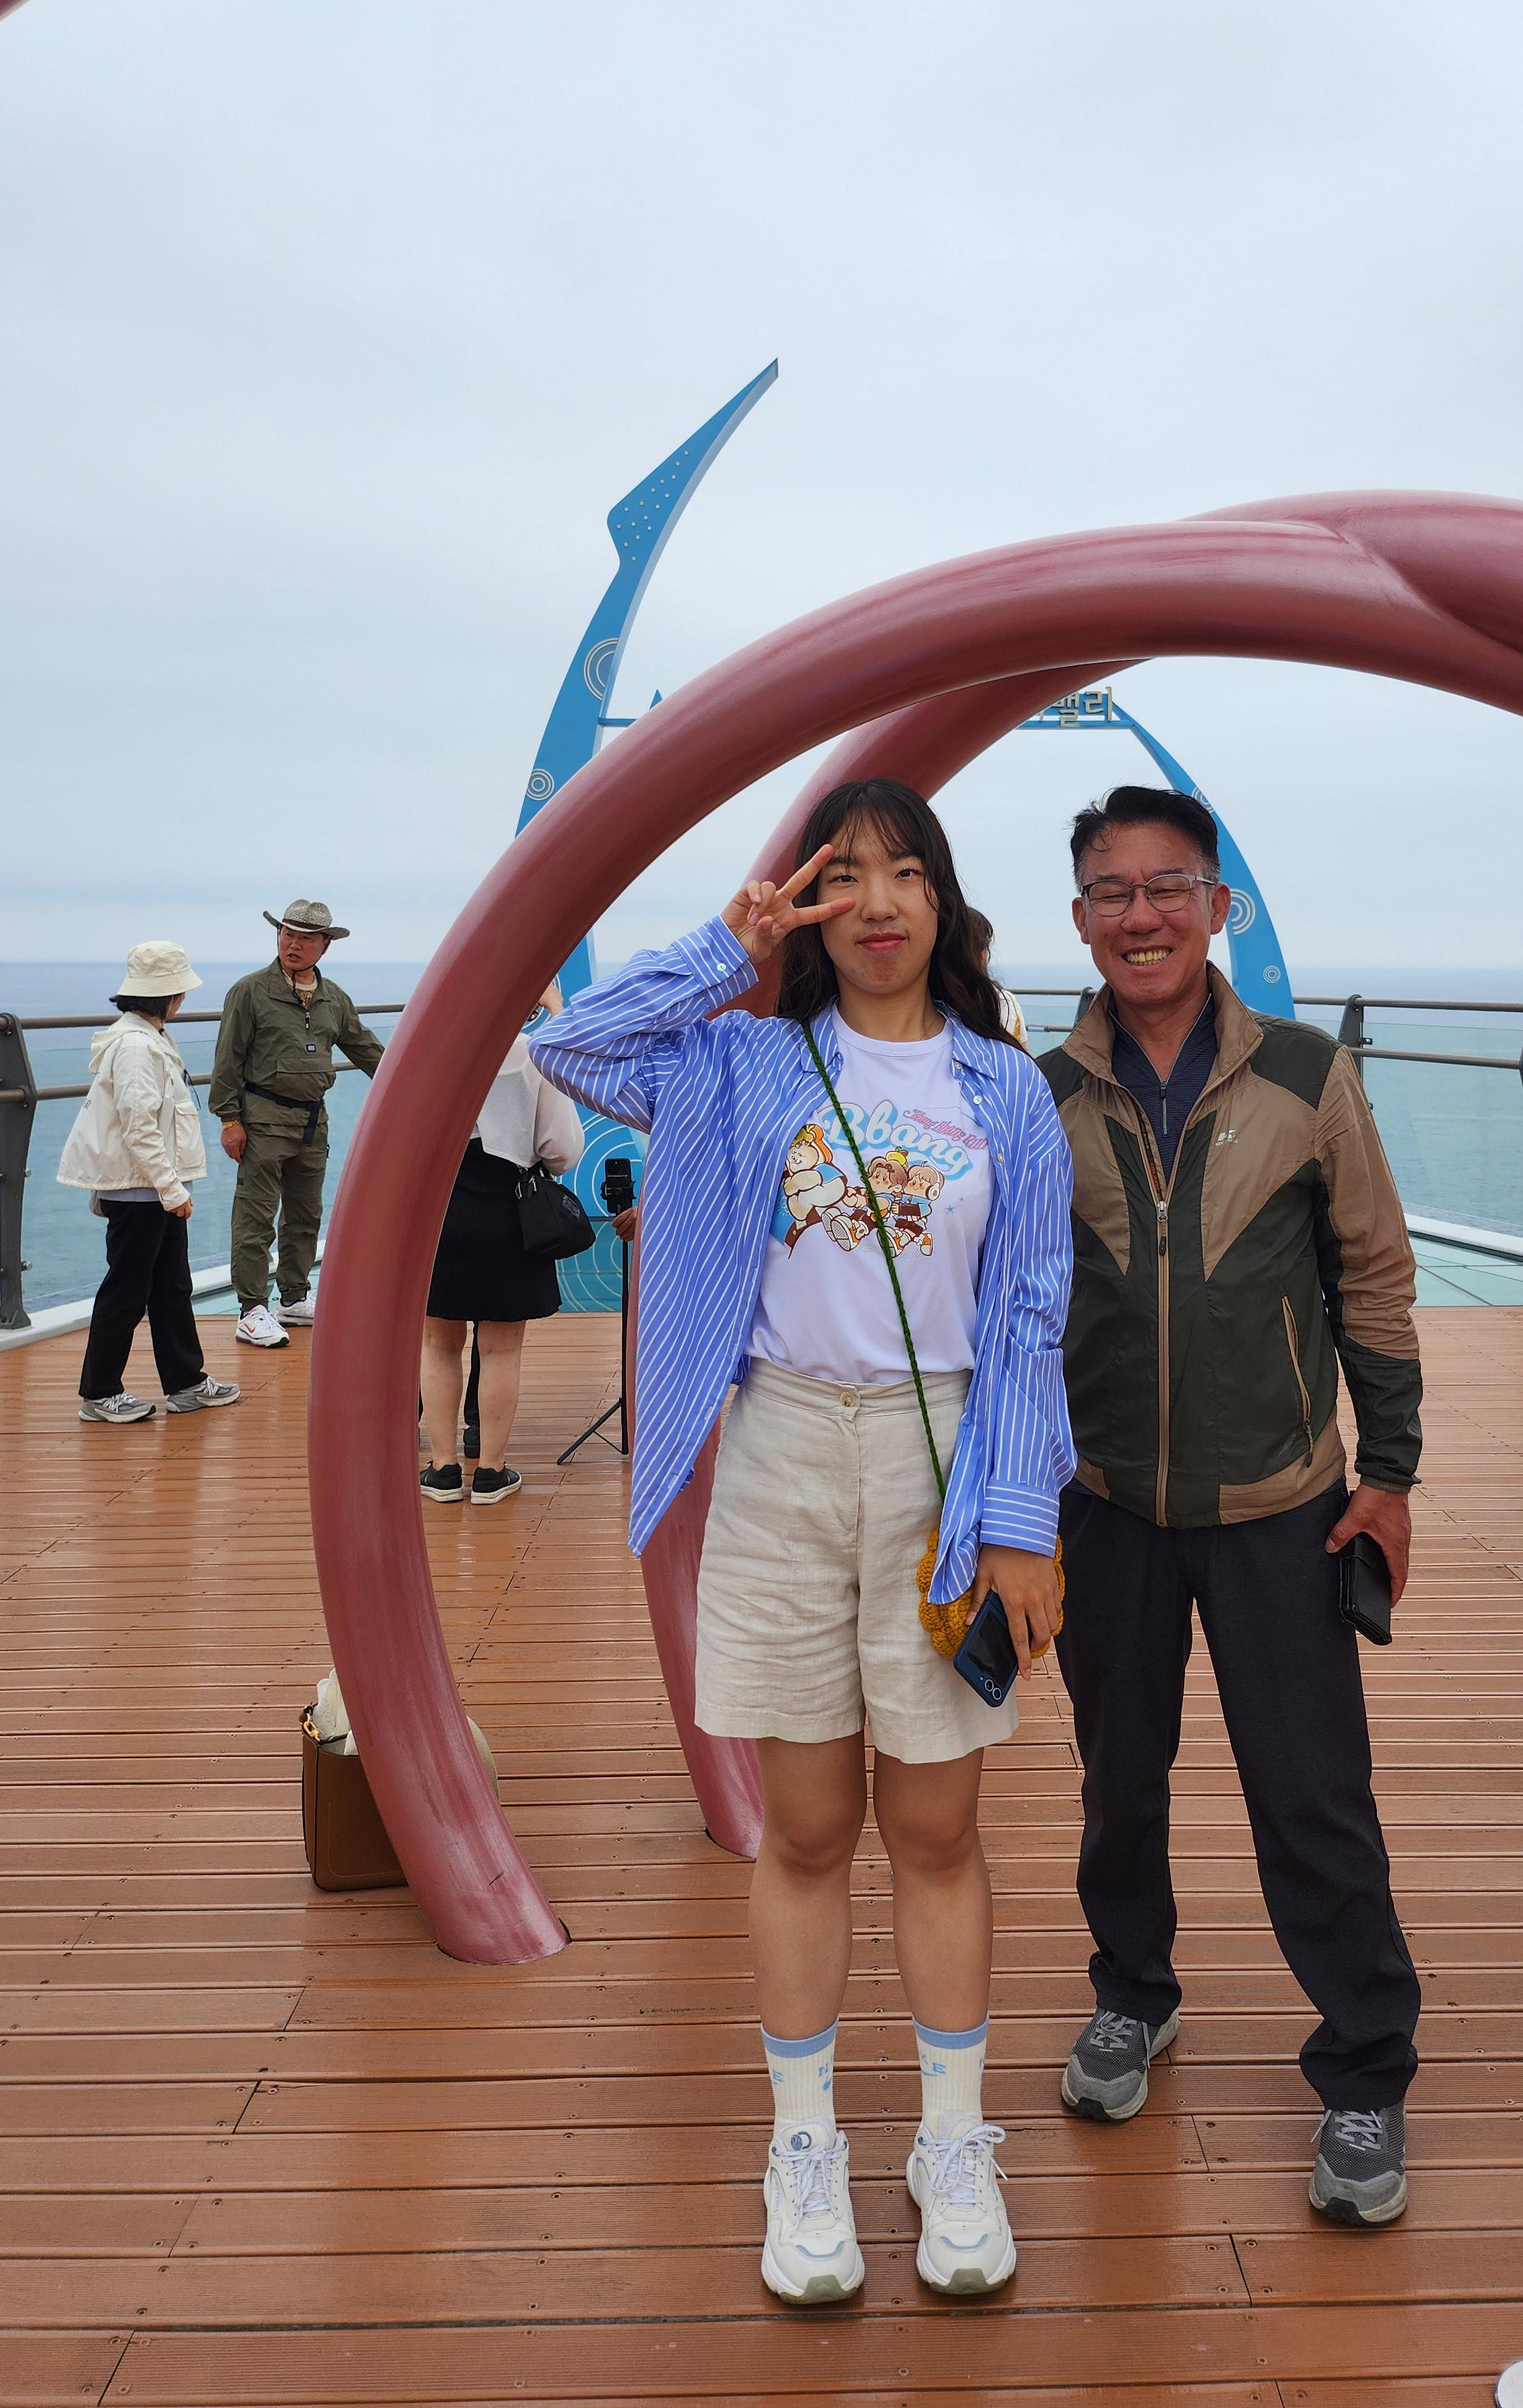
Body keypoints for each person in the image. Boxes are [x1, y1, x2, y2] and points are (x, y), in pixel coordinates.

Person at [529, 780, 1072, 2308]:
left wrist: (1022, 1520)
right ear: (810, 905)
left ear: (943, 901)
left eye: (906, 873)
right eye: (846, 877)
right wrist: (729, 944)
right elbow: (572, 1049)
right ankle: (805, 2143)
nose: (877, 903)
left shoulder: (1003, 1088)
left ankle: (951, 2142)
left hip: (942, 1454)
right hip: (779, 1449)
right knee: (810, 1827)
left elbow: (1033, 1309)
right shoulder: (745, 1057)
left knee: (939, 1827)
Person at [1039, 784, 1425, 2228]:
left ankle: (1366, 2069)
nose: (1140, 914)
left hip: (1284, 1506)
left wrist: (1390, 1470)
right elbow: (1009, 1306)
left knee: (1314, 1796)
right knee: (1116, 1782)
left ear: (1216, 907)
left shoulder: (1310, 1075)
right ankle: (1132, 1994)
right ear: (1081, 918)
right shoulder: (1038, 1091)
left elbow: (1372, 1275)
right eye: (1111, 890)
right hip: (1103, 1504)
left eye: (1167, 887)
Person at [57, 941, 240, 1424]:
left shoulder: (147, 1037)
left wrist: (169, 1187)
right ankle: (100, 1393)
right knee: (127, 1289)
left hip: (152, 1188)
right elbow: (139, 1126)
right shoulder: (138, 1047)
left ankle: (186, 1382)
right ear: (170, 995)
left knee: (170, 1286)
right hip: (144, 1191)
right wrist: (171, 1189)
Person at [420, 990, 585, 1508]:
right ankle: (491, 1472)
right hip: (509, 1208)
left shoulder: (431, 1053)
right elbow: (563, 1150)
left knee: (438, 1344)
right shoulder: (533, 1055)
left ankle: (443, 1470)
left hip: (440, 1207)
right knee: (501, 1350)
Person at [208, 900, 385, 1349]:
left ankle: (294, 1297)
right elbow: (227, 1059)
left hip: (313, 1122)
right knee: (256, 1217)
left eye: (306, 938)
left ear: (325, 945)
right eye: (287, 934)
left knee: (306, 1215)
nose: (293, 944)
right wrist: (230, 1119)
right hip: (262, 1120)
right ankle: (251, 1309)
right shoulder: (250, 991)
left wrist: (414, 1084)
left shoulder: (333, 998)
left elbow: (366, 1049)